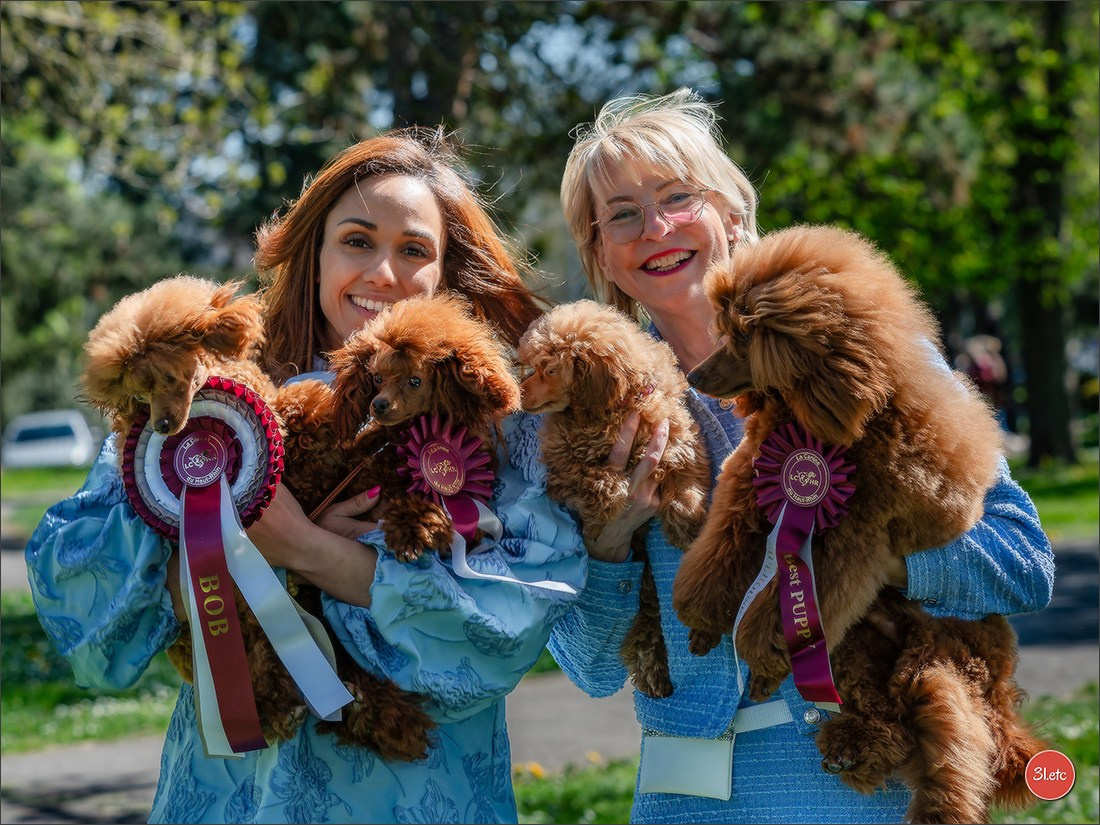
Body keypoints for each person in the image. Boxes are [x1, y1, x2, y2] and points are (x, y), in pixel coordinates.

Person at [25, 128, 586, 824]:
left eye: (414, 249)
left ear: (446, 272)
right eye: (357, 240)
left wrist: (303, 547)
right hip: (235, 794)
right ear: (315, 255)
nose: (383, 271)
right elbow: (74, 599)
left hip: (417, 795)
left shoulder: (497, 428)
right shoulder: (205, 407)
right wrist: (230, 554)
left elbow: (508, 632)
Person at [547, 88, 1055, 824]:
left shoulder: (873, 357)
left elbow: (1024, 563)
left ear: (732, 212)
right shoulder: (592, 419)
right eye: (621, 214)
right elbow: (590, 669)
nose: (654, 226)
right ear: (602, 256)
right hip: (681, 799)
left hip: (853, 780)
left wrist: (872, 547)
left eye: (677, 196)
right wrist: (609, 540)